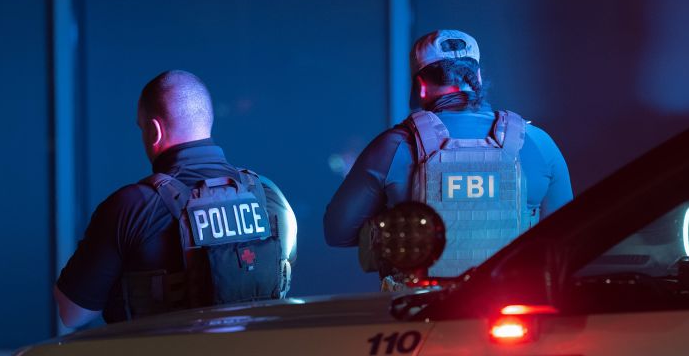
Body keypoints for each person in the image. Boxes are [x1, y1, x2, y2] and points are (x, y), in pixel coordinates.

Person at [55, 70, 296, 327]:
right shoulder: (269, 195)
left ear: (154, 131)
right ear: (207, 121)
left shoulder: (130, 207)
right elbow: (282, 280)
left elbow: (72, 313)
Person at [324, 29, 572, 279]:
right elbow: (565, 236)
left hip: (421, 309)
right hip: (514, 307)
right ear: (476, 75)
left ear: (420, 87)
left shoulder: (394, 146)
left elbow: (337, 231)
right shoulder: (538, 143)